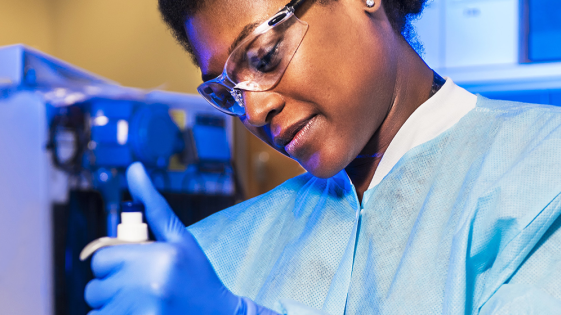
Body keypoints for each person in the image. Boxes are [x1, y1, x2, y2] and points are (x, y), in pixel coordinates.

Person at [84, 0, 561, 313]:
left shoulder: (540, 170)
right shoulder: (211, 253)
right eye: (227, 92)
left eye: (265, 56)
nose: (254, 109)